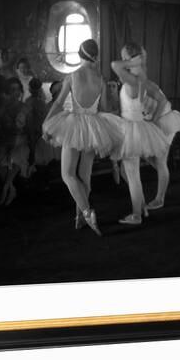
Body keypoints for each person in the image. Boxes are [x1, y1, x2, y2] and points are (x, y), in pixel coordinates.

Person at [42, 39, 122, 236]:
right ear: (95, 56)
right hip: (93, 128)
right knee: (84, 175)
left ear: (80, 54)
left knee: (67, 174)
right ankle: (79, 217)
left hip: (74, 126)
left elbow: (59, 103)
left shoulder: (72, 76)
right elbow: (104, 108)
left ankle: (87, 212)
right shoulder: (100, 79)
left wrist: (47, 122)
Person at [112, 43, 180, 219]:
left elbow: (162, 101)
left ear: (133, 59)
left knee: (160, 162)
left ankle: (158, 199)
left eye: (125, 57)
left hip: (164, 119)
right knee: (140, 162)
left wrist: (153, 122)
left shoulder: (139, 80)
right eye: (122, 57)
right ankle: (139, 205)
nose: (123, 60)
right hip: (146, 120)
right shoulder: (138, 78)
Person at [0, 77, 30, 206]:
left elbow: (30, 128)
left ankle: (7, 187)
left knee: (16, 156)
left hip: (21, 140)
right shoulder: (1, 108)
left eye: (17, 89)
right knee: (0, 160)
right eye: (12, 89)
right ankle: (11, 188)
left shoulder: (25, 107)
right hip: (6, 140)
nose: (15, 92)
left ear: (21, 91)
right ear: (8, 91)